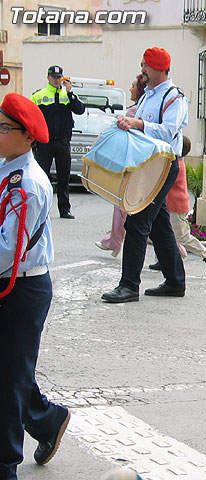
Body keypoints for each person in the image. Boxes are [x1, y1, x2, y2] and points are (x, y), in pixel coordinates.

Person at [0, 93, 70, 479]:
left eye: (4, 128)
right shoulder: (6, 167)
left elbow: (7, 250)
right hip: (8, 285)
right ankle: (46, 420)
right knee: (10, 370)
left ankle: (5, 464)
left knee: (9, 382)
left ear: (27, 136)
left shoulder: (28, 184)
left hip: (21, 290)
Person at [101, 47, 188, 303]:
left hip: (163, 166)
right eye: (142, 66)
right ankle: (175, 281)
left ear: (159, 69)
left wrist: (138, 124)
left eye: (145, 67)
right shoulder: (148, 96)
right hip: (146, 165)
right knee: (159, 224)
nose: (142, 71)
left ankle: (129, 286)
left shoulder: (174, 98)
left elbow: (169, 131)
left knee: (137, 222)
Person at [149, 136, 206, 275]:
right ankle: (162, 260)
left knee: (182, 237)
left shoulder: (177, 165)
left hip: (176, 206)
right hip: (171, 205)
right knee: (161, 231)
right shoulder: (176, 162)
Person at [95, 74, 147, 257]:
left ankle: (115, 240)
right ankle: (114, 240)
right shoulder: (142, 109)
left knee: (126, 204)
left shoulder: (133, 112)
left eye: (133, 86)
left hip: (132, 166)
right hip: (139, 165)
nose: (131, 89)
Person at [30, 65, 85, 219]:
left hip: (62, 142)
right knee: (41, 176)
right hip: (44, 142)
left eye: (59, 77)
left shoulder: (67, 95)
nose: (56, 80)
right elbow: (30, 116)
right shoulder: (39, 95)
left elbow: (80, 109)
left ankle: (64, 209)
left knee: (63, 177)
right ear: (48, 77)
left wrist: (70, 92)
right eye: (54, 77)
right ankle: (40, 208)